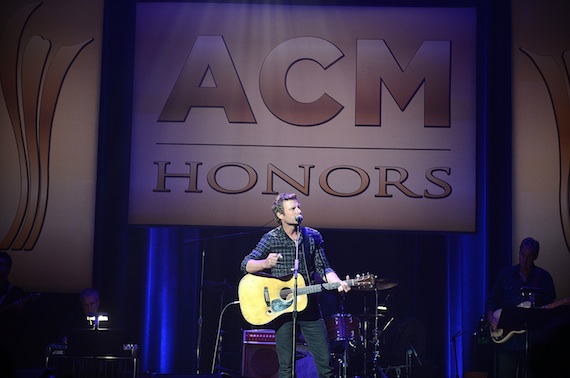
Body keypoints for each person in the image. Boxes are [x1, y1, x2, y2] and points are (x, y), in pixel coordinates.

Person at [240, 193, 350, 378]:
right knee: (286, 368)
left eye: (298, 207)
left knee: (326, 363)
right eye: (293, 209)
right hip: (282, 311)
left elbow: (324, 268)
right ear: (281, 215)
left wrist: (337, 282)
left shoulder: (312, 236)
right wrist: (265, 263)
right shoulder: (272, 238)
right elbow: (246, 264)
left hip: (310, 309)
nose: (299, 211)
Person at [485, 237, 556, 377]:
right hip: (507, 340)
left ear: (535, 256)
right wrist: (490, 316)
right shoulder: (505, 275)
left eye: (529, 256)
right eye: (522, 254)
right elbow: (492, 300)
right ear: (519, 253)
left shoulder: (544, 277)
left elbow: (549, 309)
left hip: (532, 340)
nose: (524, 260)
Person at [0, 250, 30, 378]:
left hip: (6, 344)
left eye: (2, 264)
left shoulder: (16, 292)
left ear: (8, 269)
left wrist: (19, 311)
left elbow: (23, 323)